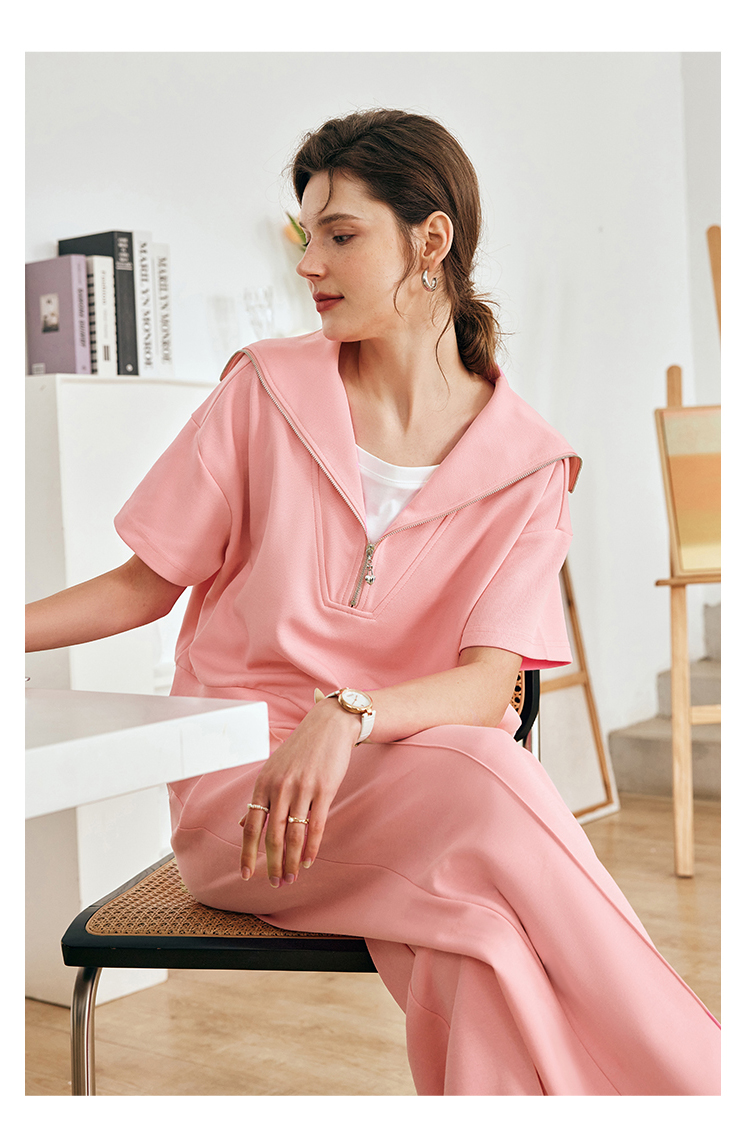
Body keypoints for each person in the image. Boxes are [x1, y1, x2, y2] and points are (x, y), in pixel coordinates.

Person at [26, 109, 720, 1095]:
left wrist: (348, 713)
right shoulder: (263, 391)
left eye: (341, 234)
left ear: (431, 242)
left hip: (423, 793)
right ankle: (708, 1085)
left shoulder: (529, 466)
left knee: (481, 943)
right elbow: (143, 584)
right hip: (253, 808)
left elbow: (486, 687)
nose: (309, 262)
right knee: (492, 781)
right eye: (307, 234)